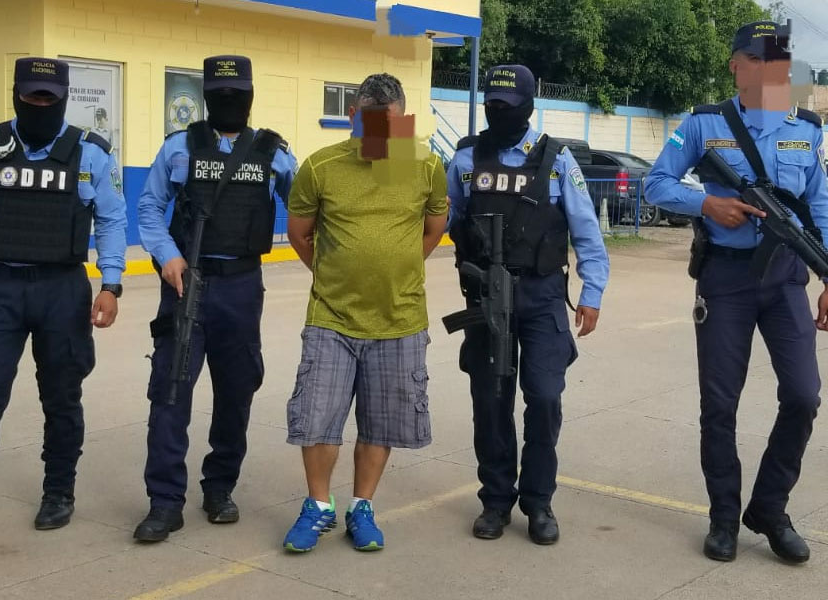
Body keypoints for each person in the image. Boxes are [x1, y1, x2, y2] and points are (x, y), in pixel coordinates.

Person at [645, 21, 828, 564]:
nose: (774, 70)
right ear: (736, 65)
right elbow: (657, 183)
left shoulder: (806, 129)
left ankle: (770, 508)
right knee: (720, 404)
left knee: (804, 395)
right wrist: (707, 204)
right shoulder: (704, 124)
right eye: (761, 59)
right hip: (725, 280)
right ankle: (723, 516)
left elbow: (820, 207)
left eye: (781, 61)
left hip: (786, 279)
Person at [0, 57, 127, 549]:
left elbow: (112, 219)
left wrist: (111, 283)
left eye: (48, 97)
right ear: (16, 93)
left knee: (61, 398)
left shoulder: (91, 152)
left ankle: (58, 492)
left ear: (63, 98)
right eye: (32, 94)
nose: (40, 103)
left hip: (62, 290)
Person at [281, 73, 448, 553]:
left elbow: (434, 227)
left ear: (403, 119)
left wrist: (398, 269)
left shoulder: (424, 164)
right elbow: (299, 233)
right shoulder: (322, 166)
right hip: (332, 319)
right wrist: (333, 275)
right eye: (372, 123)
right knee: (317, 417)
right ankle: (319, 505)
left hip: (399, 319)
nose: (382, 135)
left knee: (382, 422)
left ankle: (362, 507)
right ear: (352, 116)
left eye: (391, 125)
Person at [134, 55, 297, 542]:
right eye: (220, 94)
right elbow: (149, 206)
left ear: (250, 96)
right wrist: (167, 255)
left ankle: (220, 487)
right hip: (187, 283)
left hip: (242, 286)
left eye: (236, 94)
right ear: (206, 97)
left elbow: (306, 207)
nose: (228, 101)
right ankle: (165, 502)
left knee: (236, 392)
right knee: (170, 392)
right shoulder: (179, 147)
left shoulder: (273, 153)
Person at [446, 65, 609, 546]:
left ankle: (538, 502)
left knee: (544, 397)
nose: (499, 113)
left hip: (541, 296)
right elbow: (449, 219)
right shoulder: (464, 159)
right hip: (485, 297)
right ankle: (496, 500)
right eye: (492, 105)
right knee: (490, 401)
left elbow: (586, 230)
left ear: (529, 106)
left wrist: (592, 293)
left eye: (509, 106)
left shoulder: (557, 160)